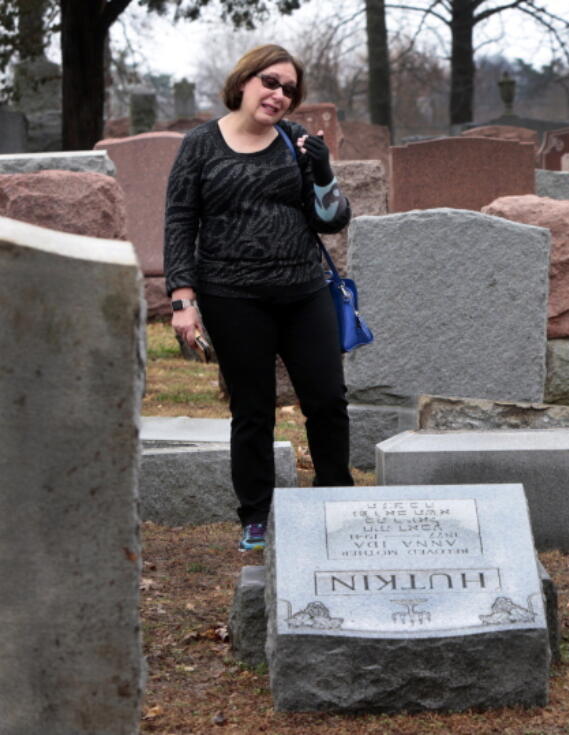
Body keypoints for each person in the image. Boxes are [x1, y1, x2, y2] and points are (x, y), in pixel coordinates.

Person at [163, 44, 353, 551]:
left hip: (303, 292)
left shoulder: (295, 141)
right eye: (270, 82)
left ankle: (334, 497)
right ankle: (257, 516)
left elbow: (333, 221)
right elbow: (181, 221)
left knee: (328, 401)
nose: (279, 95)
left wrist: (324, 172)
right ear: (244, 80)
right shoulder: (200, 145)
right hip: (231, 296)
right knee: (254, 410)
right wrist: (182, 299)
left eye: (289, 90)